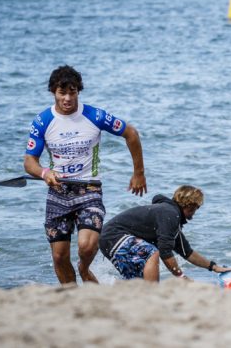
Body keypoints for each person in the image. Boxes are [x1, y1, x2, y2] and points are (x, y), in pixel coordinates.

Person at [24, 65, 147, 284]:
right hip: (58, 191)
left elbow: (131, 133)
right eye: (63, 93)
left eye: (72, 92)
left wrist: (138, 173)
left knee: (86, 246)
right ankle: (71, 297)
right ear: (54, 92)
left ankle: (84, 267)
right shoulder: (42, 121)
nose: (68, 98)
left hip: (89, 189)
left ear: (78, 91)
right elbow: (29, 162)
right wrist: (44, 173)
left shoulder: (95, 115)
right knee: (59, 256)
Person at [99, 185, 231, 281]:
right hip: (115, 235)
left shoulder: (168, 216)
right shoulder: (170, 214)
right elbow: (165, 251)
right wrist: (181, 276)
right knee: (151, 253)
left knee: (138, 280)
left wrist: (213, 267)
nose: (196, 211)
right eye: (196, 207)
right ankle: (154, 298)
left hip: (109, 239)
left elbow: (187, 252)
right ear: (189, 205)